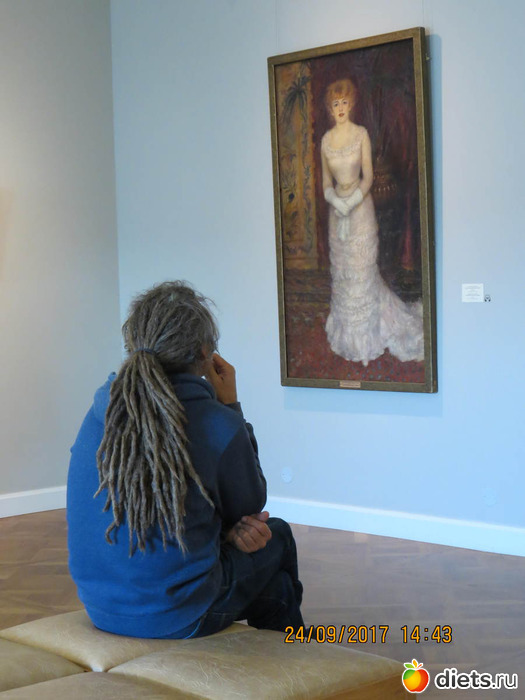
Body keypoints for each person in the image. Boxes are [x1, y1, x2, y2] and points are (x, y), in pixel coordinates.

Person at [67, 281, 303, 639]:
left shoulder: (102, 410)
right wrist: (231, 406)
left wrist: (226, 532)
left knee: (277, 588)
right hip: (176, 615)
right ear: (206, 352)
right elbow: (250, 505)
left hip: (101, 607)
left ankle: (278, 655)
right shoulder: (217, 422)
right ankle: (298, 655)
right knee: (279, 536)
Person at [321, 78, 424, 366]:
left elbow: (367, 177)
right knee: (344, 274)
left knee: (361, 270)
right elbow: (326, 182)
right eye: (335, 104)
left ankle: (367, 334)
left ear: (351, 104)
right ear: (330, 108)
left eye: (344, 102)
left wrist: (352, 200)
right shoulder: (326, 141)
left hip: (360, 211)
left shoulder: (361, 134)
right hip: (337, 214)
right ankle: (348, 333)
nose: (340, 108)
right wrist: (336, 201)